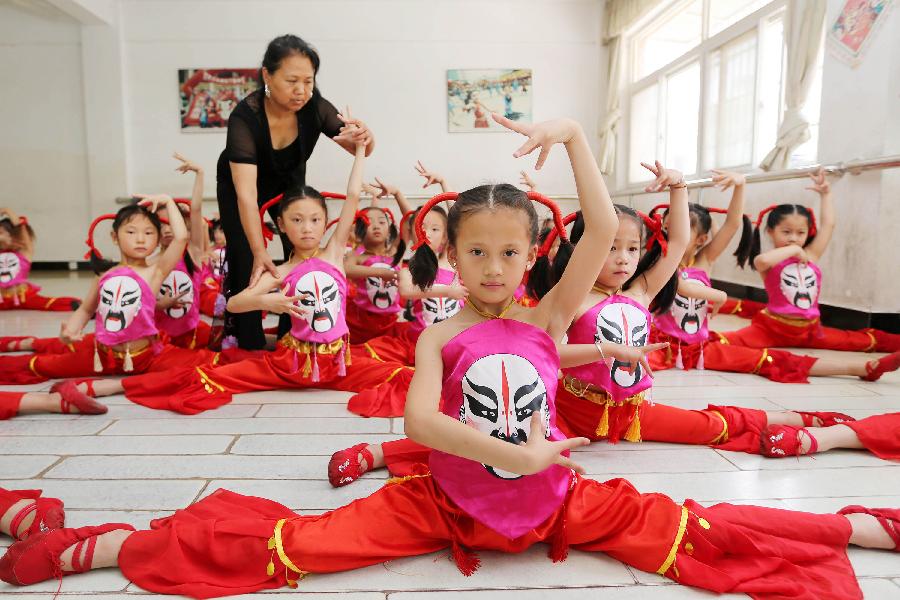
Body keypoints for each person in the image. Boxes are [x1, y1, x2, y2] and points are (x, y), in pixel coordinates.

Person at [2, 115, 896, 600]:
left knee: (696, 530)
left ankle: (853, 526)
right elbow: (425, 421)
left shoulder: (550, 317)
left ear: (535, 254)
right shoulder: (436, 332)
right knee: (296, 544)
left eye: (513, 252)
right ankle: (115, 543)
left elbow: (593, 234)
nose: (496, 268)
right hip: (444, 500)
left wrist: (578, 141)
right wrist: (512, 452)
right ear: (451, 253)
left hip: (559, 500)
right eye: (478, 253)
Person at [218, 34, 374, 350]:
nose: (301, 90)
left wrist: (366, 136)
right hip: (241, 189)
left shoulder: (314, 107)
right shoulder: (245, 118)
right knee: (246, 256)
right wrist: (261, 251)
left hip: (289, 183)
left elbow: (360, 148)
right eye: (291, 80)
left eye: (308, 81)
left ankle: (296, 334)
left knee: (302, 250)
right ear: (266, 75)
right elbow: (248, 196)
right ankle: (249, 342)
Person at [722, 169, 900, 374]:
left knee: (859, 340)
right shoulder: (772, 260)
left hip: (811, 330)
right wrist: (795, 249)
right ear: (770, 231)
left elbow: (829, 226)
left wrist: (826, 195)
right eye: (786, 232)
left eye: (800, 233)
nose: (793, 238)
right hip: (772, 329)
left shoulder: (811, 255)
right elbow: (761, 260)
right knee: (726, 341)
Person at [0, 208, 80, 312]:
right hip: (2, 299)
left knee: (48, 303)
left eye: (1, 233)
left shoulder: (24, 251)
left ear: (13, 235)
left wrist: (7, 210)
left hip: (24, 296)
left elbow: (19, 224)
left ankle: (78, 306)